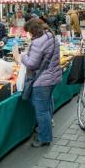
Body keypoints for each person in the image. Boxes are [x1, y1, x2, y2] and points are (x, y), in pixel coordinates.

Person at [21, 19, 62, 147]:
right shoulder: (51, 35)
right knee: (47, 102)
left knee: (41, 110)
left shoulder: (38, 41)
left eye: (28, 32)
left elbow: (32, 64)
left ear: (33, 31)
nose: (28, 34)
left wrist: (21, 57)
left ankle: (44, 138)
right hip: (53, 76)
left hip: (42, 80)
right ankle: (46, 127)